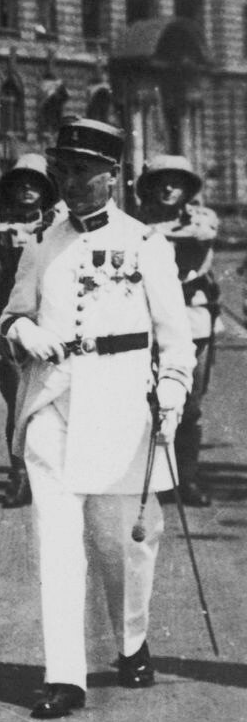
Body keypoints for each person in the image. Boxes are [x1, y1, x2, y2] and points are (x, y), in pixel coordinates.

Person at [0, 121, 195, 719]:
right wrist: (26, 332)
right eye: (65, 169)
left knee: (124, 547)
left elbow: (176, 340)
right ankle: (66, 675)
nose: (73, 181)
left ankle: (131, 642)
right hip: (53, 404)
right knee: (56, 544)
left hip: (120, 409)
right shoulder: (42, 242)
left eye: (85, 170)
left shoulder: (145, 244)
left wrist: (171, 393)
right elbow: (11, 317)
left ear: (113, 175)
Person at [130, 155, 219, 507]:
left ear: (187, 189)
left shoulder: (202, 217)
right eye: (161, 181)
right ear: (150, 187)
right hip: (145, 318)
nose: (168, 188)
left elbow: (203, 234)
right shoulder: (135, 221)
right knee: (144, 401)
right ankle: (150, 477)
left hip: (191, 317)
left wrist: (152, 232)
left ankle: (186, 478)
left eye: (176, 181)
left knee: (190, 404)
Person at [0, 155, 57, 508]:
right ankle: (19, 476)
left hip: (53, 325)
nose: (26, 188)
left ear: (45, 190)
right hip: (9, 328)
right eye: (20, 183)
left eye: (34, 182)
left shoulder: (61, 228)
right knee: (18, 405)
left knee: (54, 403)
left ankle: (52, 476)